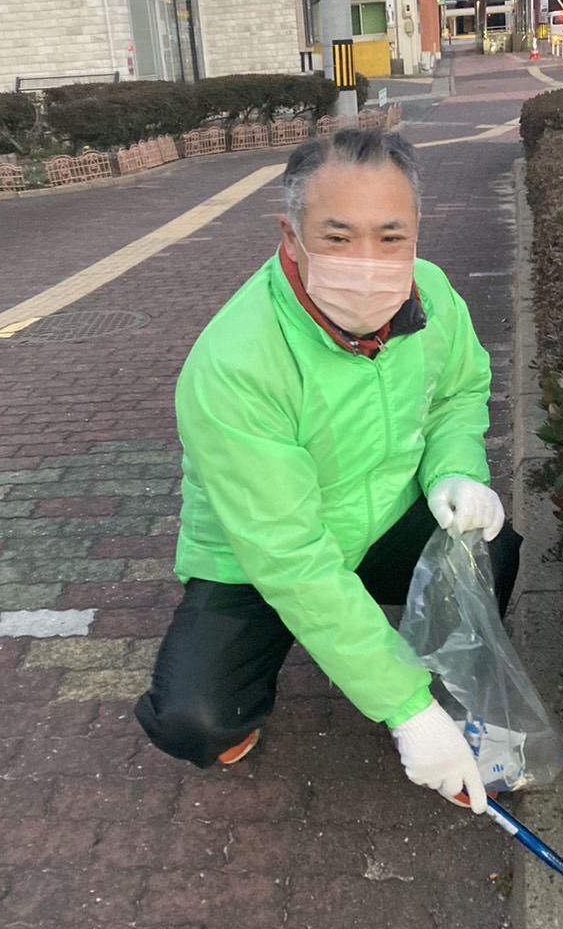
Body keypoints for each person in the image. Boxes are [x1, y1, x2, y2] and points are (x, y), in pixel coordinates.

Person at [134, 129, 522, 815]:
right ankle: (354, 665)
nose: (368, 261)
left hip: (382, 518)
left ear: (415, 232)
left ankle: (440, 679)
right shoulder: (235, 364)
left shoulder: (431, 294)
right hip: (257, 560)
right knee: (195, 721)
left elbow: (459, 392)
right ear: (291, 236)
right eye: (338, 238)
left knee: (490, 548)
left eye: (391, 237)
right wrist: (406, 709)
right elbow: (290, 556)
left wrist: (453, 472)